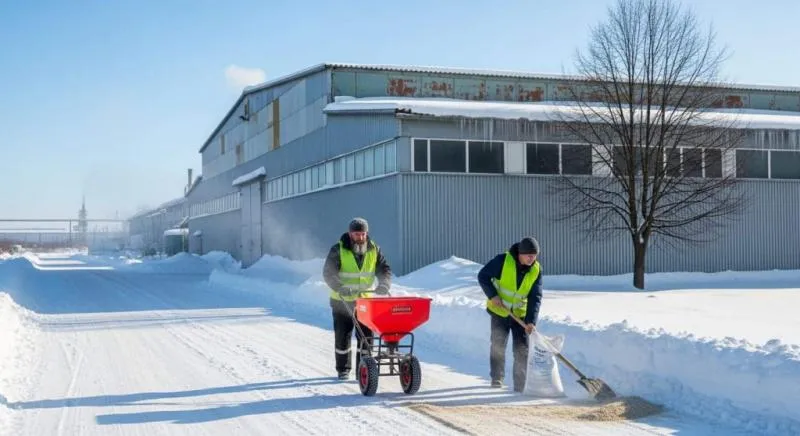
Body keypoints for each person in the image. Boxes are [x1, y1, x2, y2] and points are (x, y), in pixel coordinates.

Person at [322, 217, 392, 380]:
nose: (360, 237)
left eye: (362, 234)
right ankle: (343, 369)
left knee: (367, 337)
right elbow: (328, 272)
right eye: (356, 234)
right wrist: (340, 287)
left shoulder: (374, 249)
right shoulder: (338, 249)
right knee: (343, 335)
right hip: (342, 300)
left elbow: (384, 270)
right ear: (350, 233)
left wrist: (384, 284)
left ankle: (364, 369)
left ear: (367, 233)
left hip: (365, 302)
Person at [477, 236, 543, 392]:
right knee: (498, 345)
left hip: (520, 315)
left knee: (522, 349)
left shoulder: (536, 270)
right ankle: (497, 378)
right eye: (529, 255)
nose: (531, 258)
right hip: (500, 312)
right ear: (520, 253)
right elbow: (483, 276)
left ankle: (520, 384)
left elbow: (536, 296)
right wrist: (492, 295)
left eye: (534, 255)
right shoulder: (502, 261)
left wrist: (531, 320)